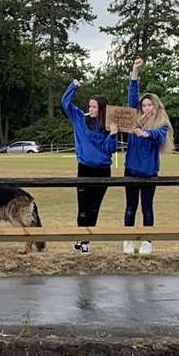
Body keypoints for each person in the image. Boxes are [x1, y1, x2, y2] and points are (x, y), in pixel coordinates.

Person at [114, 58, 173, 255]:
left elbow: (159, 137)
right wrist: (134, 71)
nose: (147, 108)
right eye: (144, 105)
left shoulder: (161, 125)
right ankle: (128, 240)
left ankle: (147, 241)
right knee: (130, 207)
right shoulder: (134, 119)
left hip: (149, 173)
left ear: (156, 107)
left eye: (150, 105)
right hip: (131, 170)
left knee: (147, 208)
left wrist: (146, 134)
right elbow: (132, 95)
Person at [61, 79, 119, 254]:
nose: (91, 110)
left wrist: (113, 135)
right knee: (83, 207)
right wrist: (74, 86)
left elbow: (110, 150)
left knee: (94, 207)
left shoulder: (107, 127)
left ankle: (86, 240)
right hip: (84, 168)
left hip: (102, 171)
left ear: (102, 109)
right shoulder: (79, 118)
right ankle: (81, 237)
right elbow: (65, 103)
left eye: (94, 107)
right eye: (90, 106)